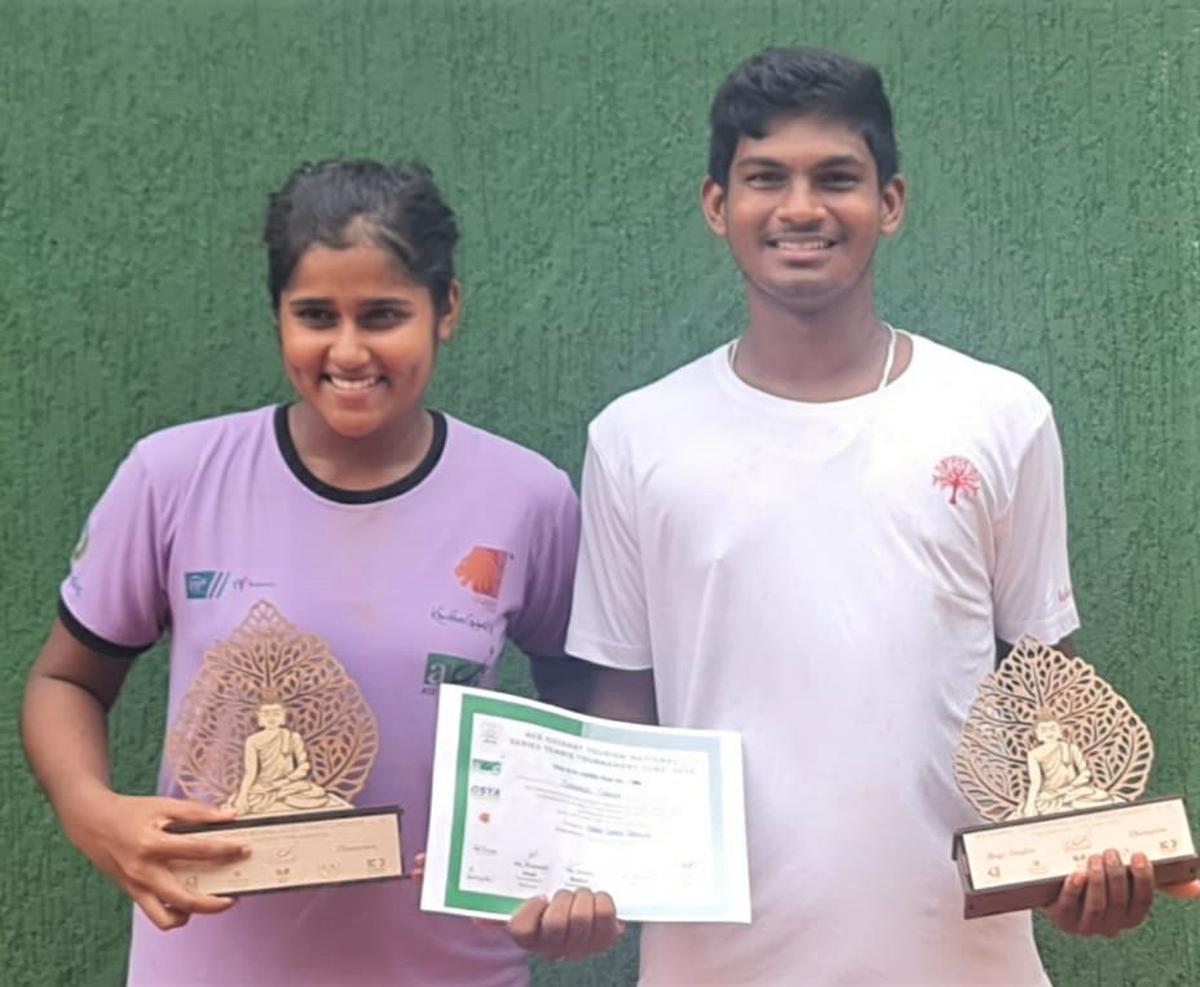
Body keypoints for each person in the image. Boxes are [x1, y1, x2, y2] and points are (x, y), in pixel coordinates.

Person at [513, 47, 1200, 983]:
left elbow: (1043, 683)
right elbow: (626, 711)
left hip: (962, 956)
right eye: (766, 178)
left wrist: (1082, 856)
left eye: (836, 177)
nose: (801, 208)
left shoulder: (999, 415)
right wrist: (580, 880)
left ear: (891, 202)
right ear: (719, 206)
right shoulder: (637, 438)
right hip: (718, 963)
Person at [21, 159, 590, 986]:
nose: (349, 350)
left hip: (454, 966)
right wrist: (92, 811)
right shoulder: (173, 475)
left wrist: (569, 856)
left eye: (386, 314)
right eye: (316, 314)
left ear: (447, 311)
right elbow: (64, 682)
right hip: (208, 964)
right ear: (278, 317)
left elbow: (592, 704)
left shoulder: (527, 496)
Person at [1021, 713, 1121, 819]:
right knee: (1043, 804)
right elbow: (1035, 781)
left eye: (1052, 728)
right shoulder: (1034, 754)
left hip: (1073, 791)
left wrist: (1069, 787)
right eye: (1043, 730)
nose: (1049, 732)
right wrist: (1030, 803)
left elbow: (1086, 773)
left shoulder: (1071, 748)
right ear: (1037, 734)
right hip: (1051, 796)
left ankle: (1072, 805)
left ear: (1060, 731)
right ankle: (1070, 805)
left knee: (1101, 795)